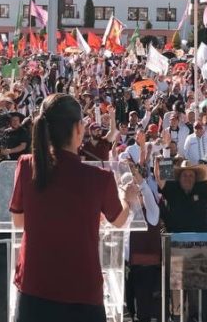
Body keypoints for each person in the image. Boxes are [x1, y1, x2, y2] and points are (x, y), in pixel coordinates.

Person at [9, 93, 140, 322]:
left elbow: (19, 222)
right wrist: (127, 197)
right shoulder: (99, 178)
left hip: (34, 288)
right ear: (79, 128)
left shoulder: (27, 166)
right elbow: (119, 221)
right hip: (83, 293)